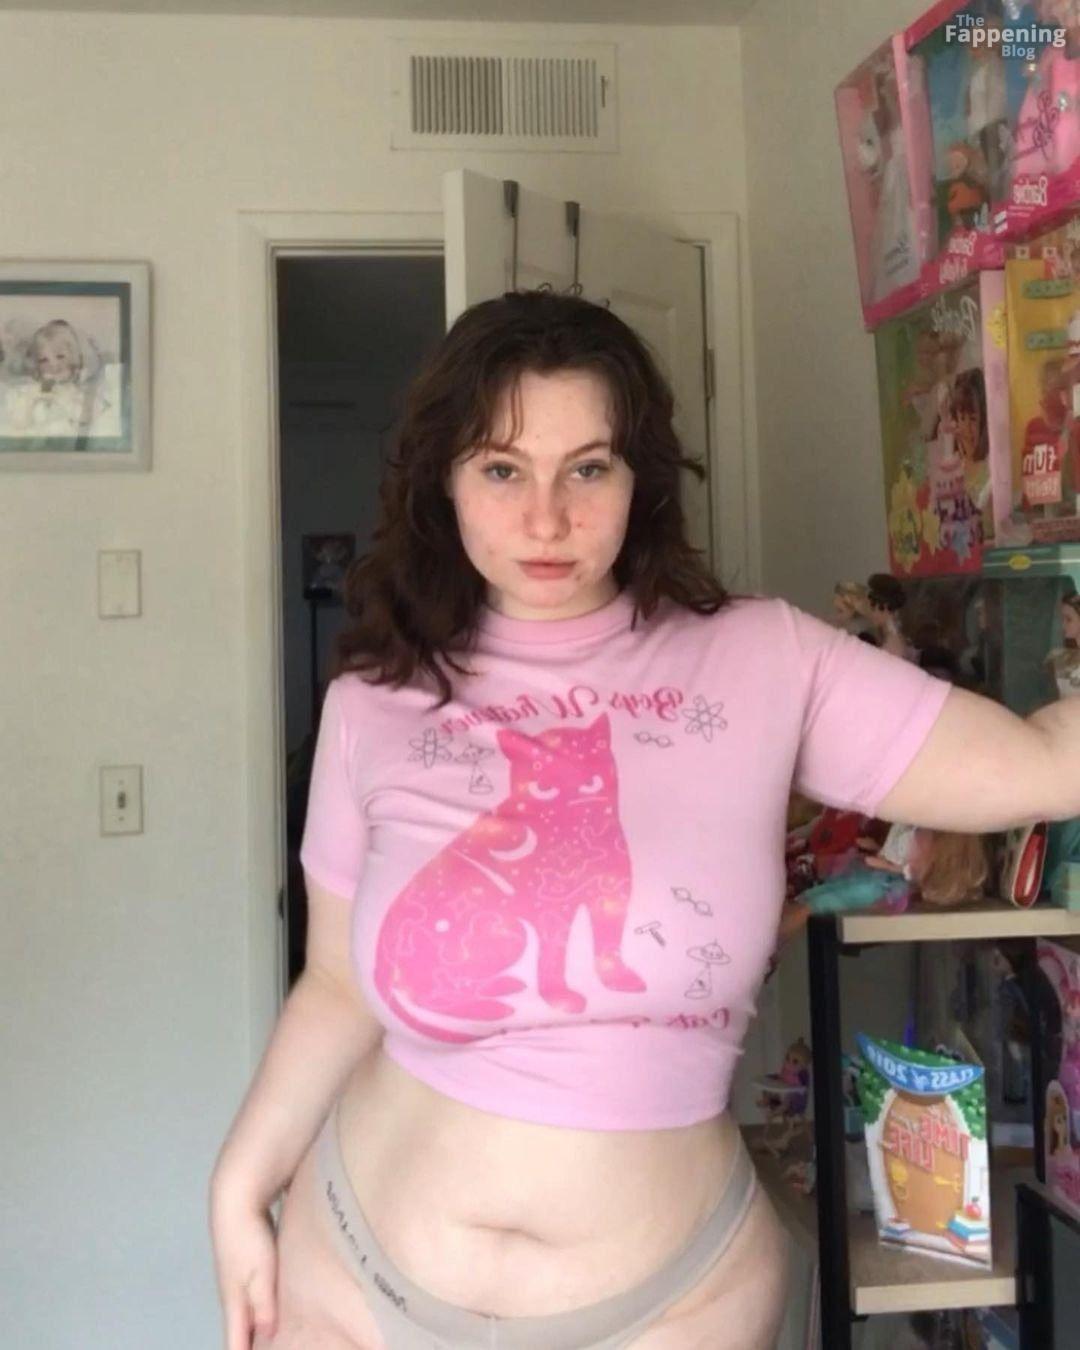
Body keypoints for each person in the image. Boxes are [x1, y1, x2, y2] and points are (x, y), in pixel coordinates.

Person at [209, 288, 1080, 1350]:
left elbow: (1044, 765)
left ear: (640, 480)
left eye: (588, 468)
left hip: (669, 1304)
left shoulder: (765, 659)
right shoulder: (374, 704)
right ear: (443, 481)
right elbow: (339, 985)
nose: (546, 519)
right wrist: (238, 1185)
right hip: (356, 1273)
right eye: (501, 470)